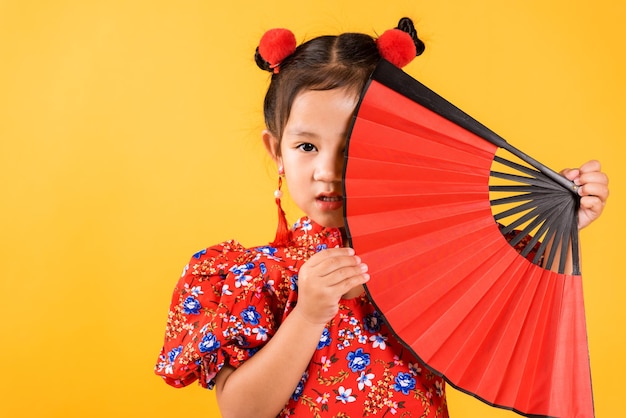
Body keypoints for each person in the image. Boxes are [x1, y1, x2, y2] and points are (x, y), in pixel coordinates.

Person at [154, 18, 609, 417]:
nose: (328, 171)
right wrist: (309, 315)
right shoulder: (253, 279)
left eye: (353, 146)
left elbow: (504, 278)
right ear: (276, 151)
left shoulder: (430, 254)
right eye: (306, 146)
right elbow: (240, 411)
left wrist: (567, 213)